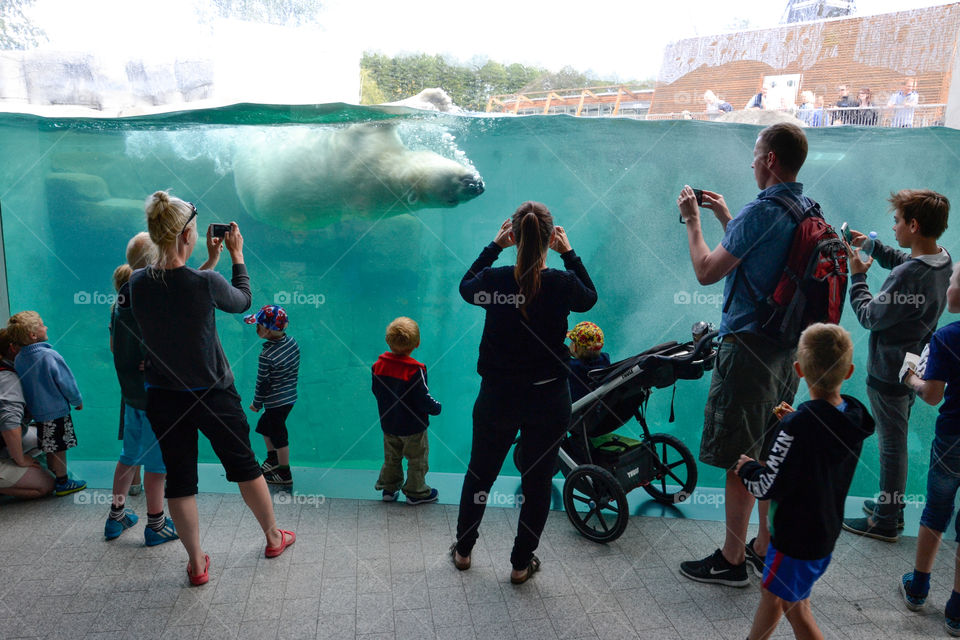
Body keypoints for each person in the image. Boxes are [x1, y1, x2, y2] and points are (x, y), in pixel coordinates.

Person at [127, 191, 294, 586]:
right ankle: (273, 537)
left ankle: (197, 563)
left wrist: (208, 264)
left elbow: (176, 291)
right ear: (187, 236)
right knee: (244, 467)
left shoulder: (137, 283)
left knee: (180, 480)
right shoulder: (207, 283)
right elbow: (241, 302)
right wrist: (235, 257)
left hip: (164, 397)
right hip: (213, 393)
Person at [676, 122, 813, 586]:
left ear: (771, 159)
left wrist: (693, 221)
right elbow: (767, 257)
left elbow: (707, 271)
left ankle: (731, 560)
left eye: (756, 153)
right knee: (770, 449)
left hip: (748, 348)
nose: (752, 161)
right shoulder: (804, 207)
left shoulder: (762, 210)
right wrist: (725, 218)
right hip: (784, 351)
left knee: (741, 455)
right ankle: (762, 544)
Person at [453, 202, 597, 584]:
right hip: (549, 398)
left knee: (480, 474)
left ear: (513, 235)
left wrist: (493, 247)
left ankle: (464, 551)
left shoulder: (496, 281)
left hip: (498, 395)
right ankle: (520, 564)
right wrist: (570, 255)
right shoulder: (563, 284)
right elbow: (589, 298)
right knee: (537, 482)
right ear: (552, 236)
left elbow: (465, 287)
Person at [736, 324, 874, 640]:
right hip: (823, 530)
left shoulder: (798, 426)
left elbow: (767, 485)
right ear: (849, 371)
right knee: (778, 593)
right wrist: (796, 421)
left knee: (793, 607)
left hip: (795, 536)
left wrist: (747, 469)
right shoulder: (851, 418)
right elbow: (821, 444)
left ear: (798, 370)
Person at [842, 190, 951, 542]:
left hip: (888, 372)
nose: (893, 227)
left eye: (897, 221)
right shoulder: (943, 259)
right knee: (896, 439)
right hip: (913, 365)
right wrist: (873, 248)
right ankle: (892, 505)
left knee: (892, 445)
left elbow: (870, 316)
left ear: (914, 225)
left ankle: (887, 519)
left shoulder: (907, 276)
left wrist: (857, 275)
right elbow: (909, 261)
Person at [898, 263, 960, 635]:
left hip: (952, 438)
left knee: (937, 510)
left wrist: (911, 377)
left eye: (953, 282)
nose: (948, 287)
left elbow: (932, 396)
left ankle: (919, 587)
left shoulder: (948, 336)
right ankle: (957, 609)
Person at [105, 261, 178, 546]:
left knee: (128, 456)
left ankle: (116, 516)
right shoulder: (147, 310)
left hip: (131, 397)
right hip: (154, 399)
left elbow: (114, 348)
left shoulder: (117, 310)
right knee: (157, 465)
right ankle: (156, 524)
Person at [7, 311, 85, 496]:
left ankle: (53, 474)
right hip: (56, 412)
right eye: (42, 324)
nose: (46, 326)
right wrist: (77, 400)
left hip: (38, 414)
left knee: (49, 445)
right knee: (59, 447)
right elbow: (67, 383)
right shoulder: (50, 356)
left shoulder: (19, 359)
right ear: (33, 335)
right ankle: (63, 482)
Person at [371, 316, 441, 504]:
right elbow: (422, 398)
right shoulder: (415, 370)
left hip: (389, 423)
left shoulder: (378, 366)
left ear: (387, 340)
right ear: (417, 343)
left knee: (392, 458)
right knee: (417, 459)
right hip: (413, 427)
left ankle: (388, 489)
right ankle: (416, 492)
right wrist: (436, 408)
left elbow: (376, 391)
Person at [245, 304, 300, 486]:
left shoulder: (266, 355)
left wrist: (256, 404)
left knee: (279, 435)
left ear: (267, 331)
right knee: (264, 425)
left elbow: (262, 383)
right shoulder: (292, 343)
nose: (256, 328)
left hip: (275, 402)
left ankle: (284, 473)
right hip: (289, 397)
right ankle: (272, 459)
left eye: (258, 325)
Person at [0, 328, 54, 499]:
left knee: (47, 437)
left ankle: (12, 465)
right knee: (47, 485)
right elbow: (10, 425)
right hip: (5, 437)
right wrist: (20, 460)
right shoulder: (8, 378)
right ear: (13, 349)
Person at [566, 321, 610, 403]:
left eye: (572, 341)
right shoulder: (605, 361)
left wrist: (565, 352)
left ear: (574, 347)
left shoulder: (571, 368)